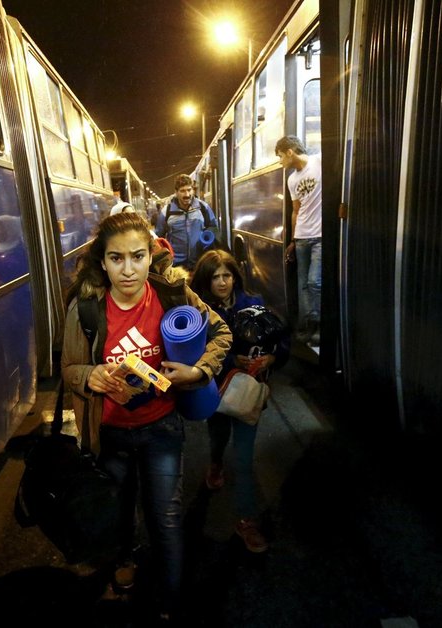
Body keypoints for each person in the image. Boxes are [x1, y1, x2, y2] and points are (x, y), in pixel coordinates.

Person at [60, 212, 232, 622]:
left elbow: (221, 333)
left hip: (162, 430)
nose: (128, 269)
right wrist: (91, 375)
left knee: (166, 518)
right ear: (103, 262)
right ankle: (124, 562)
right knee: (118, 512)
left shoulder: (173, 295)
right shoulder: (85, 310)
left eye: (137, 256)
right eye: (116, 258)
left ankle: (169, 603)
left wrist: (197, 370)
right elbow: (68, 369)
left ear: (149, 255)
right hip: (110, 435)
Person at [189, 249, 290, 553]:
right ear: (206, 281)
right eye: (215, 277)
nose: (222, 282)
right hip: (217, 392)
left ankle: (246, 519)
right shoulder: (200, 311)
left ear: (235, 276)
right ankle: (216, 462)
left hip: (247, 394)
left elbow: (280, 339)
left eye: (227, 275)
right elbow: (198, 351)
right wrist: (233, 358)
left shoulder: (254, 303)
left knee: (244, 459)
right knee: (218, 438)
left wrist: (274, 356)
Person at [275, 135, 322, 346]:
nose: (280, 162)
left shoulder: (319, 161)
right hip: (302, 237)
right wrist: (293, 240)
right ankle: (308, 327)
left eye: (280, 156)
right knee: (303, 284)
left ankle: (318, 324)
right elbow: (296, 211)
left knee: (314, 282)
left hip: (320, 236)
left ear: (290, 152)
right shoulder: (291, 179)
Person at [154, 174, 218, 272]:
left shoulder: (203, 207)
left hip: (200, 263)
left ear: (193, 190)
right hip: (176, 267)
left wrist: (207, 239)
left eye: (189, 190)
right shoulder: (167, 212)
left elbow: (213, 227)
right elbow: (158, 237)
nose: (187, 194)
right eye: (182, 191)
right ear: (176, 192)